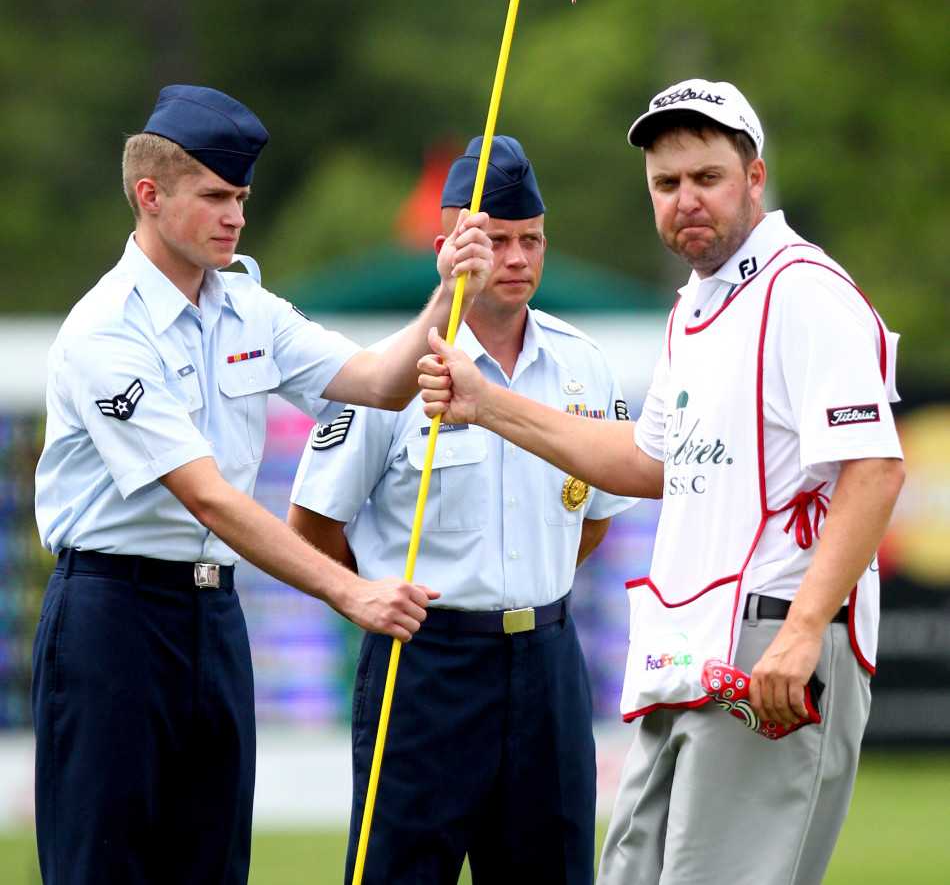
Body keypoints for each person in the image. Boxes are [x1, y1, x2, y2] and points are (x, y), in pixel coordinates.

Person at [419, 80, 905, 885]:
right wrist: (489, 405)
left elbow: (876, 469)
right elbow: (649, 463)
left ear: (754, 178)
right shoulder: (698, 303)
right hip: (688, 649)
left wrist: (802, 629)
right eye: (666, 184)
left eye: (707, 178)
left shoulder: (804, 290)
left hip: (773, 648)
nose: (686, 200)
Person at [32, 84, 492, 885]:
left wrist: (448, 292)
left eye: (241, 197)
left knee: (214, 865)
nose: (235, 216)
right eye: (214, 196)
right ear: (149, 195)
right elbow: (206, 496)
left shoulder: (245, 303)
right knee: (103, 864)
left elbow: (379, 380)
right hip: (113, 620)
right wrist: (349, 594)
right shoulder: (104, 329)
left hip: (214, 616)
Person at [289, 135, 637, 885]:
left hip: (545, 663)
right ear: (448, 246)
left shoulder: (584, 365)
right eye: (498, 240)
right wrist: (375, 596)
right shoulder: (392, 370)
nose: (516, 259)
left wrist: (525, 592)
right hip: (426, 671)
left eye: (531, 241)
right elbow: (314, 524)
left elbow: (596, 516)